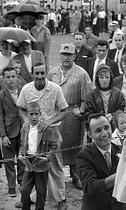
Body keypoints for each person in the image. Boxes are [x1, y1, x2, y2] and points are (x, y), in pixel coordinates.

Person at [16, 64, 68, 210]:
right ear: (32, 74)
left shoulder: (55, 88)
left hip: (51, 133)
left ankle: (60, 199)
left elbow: (64, 110)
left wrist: (48, 122)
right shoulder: (26, 89)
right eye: (37, 73)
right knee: (32, 164)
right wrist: (26, 119)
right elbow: (20, 107)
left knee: (55, 166)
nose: (40, 76)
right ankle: (30, 197)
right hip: (32, 134)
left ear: (46, 73)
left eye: (42, 73)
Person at [48, 43, 91, 190]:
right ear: (60, 55)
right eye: (63, 54)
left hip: (72, 114)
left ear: (74, 56)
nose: (66, 57)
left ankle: (75, 175)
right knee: (54, 146)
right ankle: (54, 176)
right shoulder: (52, 72)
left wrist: (81, 110)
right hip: (54, 114)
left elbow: (87, 96)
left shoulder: (81, 74)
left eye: (69, 54)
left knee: (74, 146)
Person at [76, 113, 126, 210]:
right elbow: (90, 187)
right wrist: (118, 175)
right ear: (90, 134)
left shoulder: (121, 151)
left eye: (106, 128)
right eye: (98, 130)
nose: (104, 134)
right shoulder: (83, 156)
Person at [19, 102, 57, 210]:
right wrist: (21, 154)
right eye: (31, 114)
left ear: (40, 114)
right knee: (24, 190)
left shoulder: (46, 128)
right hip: (28, 162)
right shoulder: (25, 127)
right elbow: (22, 143)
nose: (34, 117)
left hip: (41, 163)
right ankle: (25, 207)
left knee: (41, 192)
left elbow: (54, 146)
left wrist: (47, 157)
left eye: (36, 114)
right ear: (27, 115)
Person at [0, 67, 24, 197]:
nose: (11, 80)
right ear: (3, 79)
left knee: (22, 158)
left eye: (13, 76)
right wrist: (3, 135)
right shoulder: (2, 95)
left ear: (17, 77)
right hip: (9, 132)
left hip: (23, 130)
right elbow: (0, 116)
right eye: (7, 77)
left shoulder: (24, 91)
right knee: (9, 160)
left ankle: (21, 181)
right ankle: (11, 186)